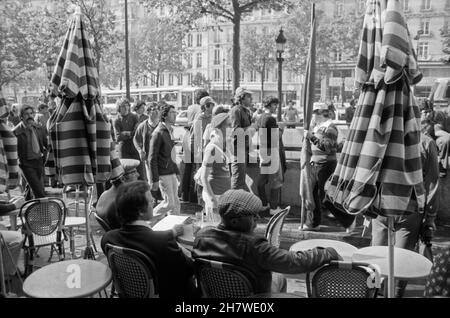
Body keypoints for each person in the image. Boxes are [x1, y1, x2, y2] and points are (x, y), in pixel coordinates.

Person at [192, 190, 342, 293]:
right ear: (235, 221)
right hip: (255, 298)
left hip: (216, 293)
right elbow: (294, 262)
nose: (257, 218)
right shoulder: (255, 246)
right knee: (281, 278)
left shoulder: (201, 236)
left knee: (279, 278)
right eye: (252, 215)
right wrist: (327, 252)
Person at [371, 117, 439, 298]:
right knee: (400, 265)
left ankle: (375, 293)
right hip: (409, 209)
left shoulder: (382, 137)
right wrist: (430, 217)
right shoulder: (426, 142)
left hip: (381, 207)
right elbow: (432, 184)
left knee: (375, 262)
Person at [100, 180, 199, 298]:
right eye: (151, 201)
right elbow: (189, 270)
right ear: (140, 211)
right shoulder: (162, 242)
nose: (153, 203)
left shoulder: (108, 239)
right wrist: (181, 248)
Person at [300, 103, 339, 231]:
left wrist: (311, 136)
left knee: (324, 196)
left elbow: (327, 147)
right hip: (316, 164)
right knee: (312, 195)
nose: (312, 116)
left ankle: (348, 220)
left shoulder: (330, 128)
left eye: (314, 113)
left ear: (320, 114)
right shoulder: (318, 128)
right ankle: (312, 223)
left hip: (326, 165)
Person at [256, 96, 287, 215]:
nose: (276, 107)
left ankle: (264, 204)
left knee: (262, 179)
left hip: (263, 151)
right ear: (269, 105)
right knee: (276, 180)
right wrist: (281, 128)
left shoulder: (261, 118)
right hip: (271, 151)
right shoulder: (270, 119)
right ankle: (274, 208)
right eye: (275, 105)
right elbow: (276, 137)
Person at [149, 103, 181, 216]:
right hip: (163, 173)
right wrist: (154, 179)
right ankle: (148, 219)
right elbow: (152, 158)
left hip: (171, 172)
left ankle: (174, 229)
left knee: (176, 204)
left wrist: (177, 171)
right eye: (172, 113)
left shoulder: (169, 131)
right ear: (165, 115)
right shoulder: (158, 133)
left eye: (175, 112)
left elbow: (171, 155)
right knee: (169, 203)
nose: (175, 115)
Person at [200, 112, 232, 222]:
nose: (231, 128)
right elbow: (204, 177)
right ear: (219, 128)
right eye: (228, 125)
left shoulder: (225, 147)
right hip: (215, 195)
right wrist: (212, 199)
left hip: (224, 195)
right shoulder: (212, 148)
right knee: (213, 229)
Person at [13, 105, 47, 201]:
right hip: (26, 164)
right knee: (39, 191)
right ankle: (44, 213)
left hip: (39, 161)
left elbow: (45, 143)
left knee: (32, 186)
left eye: (31, 113)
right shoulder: (16, 132)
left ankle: (25, 207)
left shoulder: (37, 128)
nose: (30, 116)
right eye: (26, 114)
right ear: (21, 117)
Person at [181, 89, 209, 203]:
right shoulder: (200, 110)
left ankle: (185, 195)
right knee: (197, 169)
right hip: (196, 140)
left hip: (187, 138)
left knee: (187, 169)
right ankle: (195, 197)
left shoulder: (191, 108)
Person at [96, 159, 140, 230]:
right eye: (133, 172)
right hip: (125, 238)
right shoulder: (124, 202)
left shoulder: (104, 194)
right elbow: (134, 228)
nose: (138, 175)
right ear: (122, 179)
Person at [190, 96, 215, 206]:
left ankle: (206, 198)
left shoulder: (212, 118)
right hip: (201, 152)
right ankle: (200, 201)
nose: (213, 107)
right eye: (211, 105)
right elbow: (198, 138)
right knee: (200, 176)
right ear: (206, 106)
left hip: (209, 151)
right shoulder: (199, 119)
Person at [229, 87, 255, 191]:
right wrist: (251, 128)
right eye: (248, 96)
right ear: (241, 97)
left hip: (244, 149)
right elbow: (235, 132)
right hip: (237, 151)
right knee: (237, 181)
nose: (251, 99)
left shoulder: (246, 111)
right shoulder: (236, 111)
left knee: (241, 180)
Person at [113, 98, 144, 180]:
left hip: (135, 147)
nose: (126, 108)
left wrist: (126, 133)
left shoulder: (134, 117)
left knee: (140, 172)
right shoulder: (117, 120)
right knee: (125, 173)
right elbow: (118, 137)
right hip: (123, 149)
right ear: (119, 107)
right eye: (123, 106)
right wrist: (130, 133)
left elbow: (136, 133)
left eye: (127, 105)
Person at [133, 103, 160, 182]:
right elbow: (136, 139)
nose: (156, 111)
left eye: (157, 109)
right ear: (148, 113)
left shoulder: (163, 125)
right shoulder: (143, 126)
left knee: (163, 181)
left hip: (162, 158)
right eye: (154, 109)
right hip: (149, 159)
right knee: (152, 181)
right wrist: (140, 150)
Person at [432, 109, 450, 178]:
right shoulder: (441, 115)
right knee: (445, 141)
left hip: (445, 132)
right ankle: (442, 166)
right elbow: (437, 132)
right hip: (439, 136)